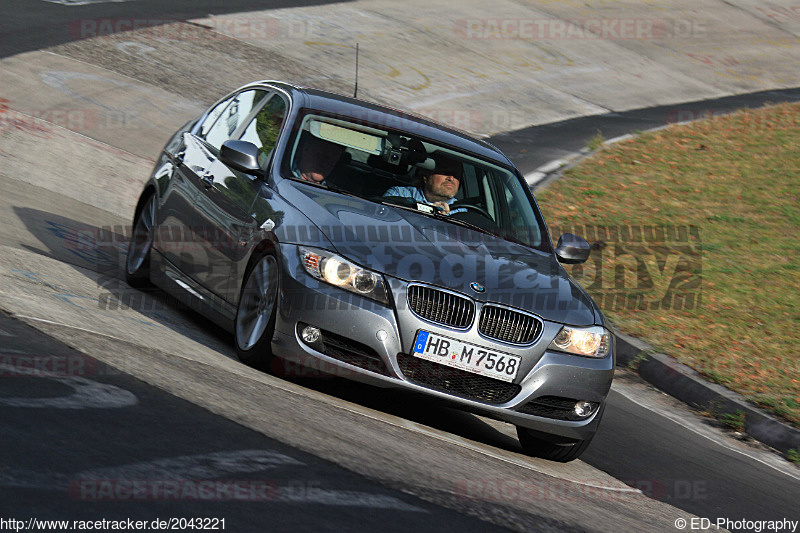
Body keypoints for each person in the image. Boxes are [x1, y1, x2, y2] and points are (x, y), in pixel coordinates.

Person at [383, 154, 465, 214]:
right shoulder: (400, 194)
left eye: (456, 175)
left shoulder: (460, 211)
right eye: (445, 173)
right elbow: (383, 217)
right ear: (426, 176)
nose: (451, 178)